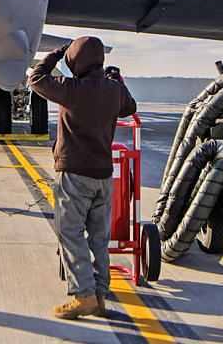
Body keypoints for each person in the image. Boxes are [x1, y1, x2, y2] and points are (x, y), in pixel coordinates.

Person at [28, 36, 136, 320]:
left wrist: (55, 54)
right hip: (103, 177)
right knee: (99, 238)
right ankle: (100, 297)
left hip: (74, 174)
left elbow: (36, 79)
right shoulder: (114, 91)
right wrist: (115, 80)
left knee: (70, 233)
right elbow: (130, 107)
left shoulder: (71, 89)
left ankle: (83, 295)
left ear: (75, 61)